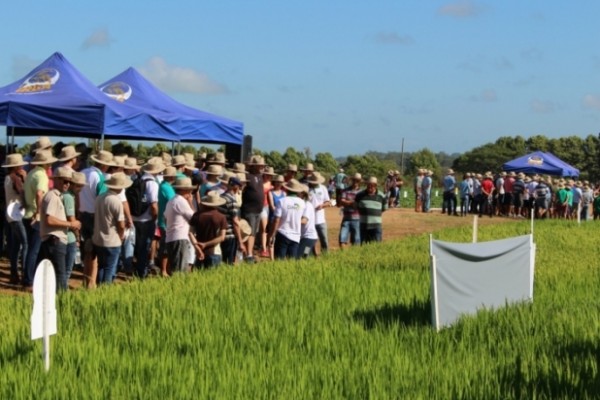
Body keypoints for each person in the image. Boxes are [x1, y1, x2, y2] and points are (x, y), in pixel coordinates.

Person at [39, 167, 81, 292]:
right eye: (64, 181)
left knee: (57, 274)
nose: (67, 184)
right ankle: (62, 302)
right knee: (60, 275)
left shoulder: (57, 196)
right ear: (56, 180)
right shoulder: (53, 196)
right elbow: (50, 220)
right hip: (55, 240)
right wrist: (70, 224)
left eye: (69, 182)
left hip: (54, 240)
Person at [79, 150, 116, 288]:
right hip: (94, 216)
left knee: (87, 249)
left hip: (83, 214)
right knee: (96, 250)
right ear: (105, 165)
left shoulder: (83, 172)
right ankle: (92, 282)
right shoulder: (100, 178)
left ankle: (85, 278)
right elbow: (101, 199)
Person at [23, 149, 57, 290]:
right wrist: (39, 212)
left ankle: (29, 277)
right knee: (34, 249)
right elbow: (39, 193)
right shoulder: (42, 175)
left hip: (27, 213)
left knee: (31, 248)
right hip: (35, 216)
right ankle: (29, 280)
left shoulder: (31, 173)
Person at [93, 172, 130, 285]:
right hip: (112, 240)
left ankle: (100, 290)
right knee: (109, 268)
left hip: (98, 239)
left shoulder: (100, 198)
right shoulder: (116, 201)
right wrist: (121, 235)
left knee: (101, 267)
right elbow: (121, 224)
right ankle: (106, 291)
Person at [132, 157, 163, 278]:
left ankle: (137, 269)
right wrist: (155, 218)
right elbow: (154, 205)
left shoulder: (138, 179)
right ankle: (142, 273)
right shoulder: (152, 183)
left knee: (138, 247)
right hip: (146, 219)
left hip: (136, 218)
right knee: (145, 247)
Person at [3, 153, 28, 285]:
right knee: (25, 243)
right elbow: (23, 193)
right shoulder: (16, 179)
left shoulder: (7, 178)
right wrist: (25, 178)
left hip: (10, 214)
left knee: (15, 245)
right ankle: (25, 273)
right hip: (18, 214)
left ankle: (14, 273)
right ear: (17, 166)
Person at [165, 177, 199, 273]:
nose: (191, 192)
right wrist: (190, 202)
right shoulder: (181, 201)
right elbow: (194, 218)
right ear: (185, 190)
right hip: (180, 238)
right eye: (190, 190)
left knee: (176, 266)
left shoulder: (171, 201)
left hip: (171, 237)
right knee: (180, 269)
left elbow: (165, 218)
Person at [269, 179, 308, 259]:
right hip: (296, 236)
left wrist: (272, 235)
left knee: (279, 261)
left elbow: (276, 220)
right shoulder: (302, 203)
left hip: (282, 234)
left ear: (286, 189)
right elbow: (304, 219)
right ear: (297, 191)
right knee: (291, 262)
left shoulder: (281, 201)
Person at [190, 191, 227, 268]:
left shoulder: (197, 215)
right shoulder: (221, 217)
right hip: (214, 251)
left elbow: (190, 233)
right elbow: (222, 237)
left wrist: (197, 246)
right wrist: (206, 244)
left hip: (199, 252)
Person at [241, 155, 265, 263]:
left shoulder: (259, 176)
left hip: (258, 209)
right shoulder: (247, 176)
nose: (261, 167)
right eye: (259, 165)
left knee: (254, 232)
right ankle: (248, 254)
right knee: (248, 231)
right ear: (254, 166)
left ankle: (250, 253)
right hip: (249, 209)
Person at [63, 172, 86, 286]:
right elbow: (72, 220)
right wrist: (77, 236)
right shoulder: (68, 198)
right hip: (69, 237)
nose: (81, 189)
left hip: (67, 236)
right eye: (79, 186)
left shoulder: (69, 196)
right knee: (67, 270)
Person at [219, 176, 246, 265]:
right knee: (228, 263)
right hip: (229, 235)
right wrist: (240, 242)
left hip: (220, 234)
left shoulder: (220, 197)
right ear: (236, 187)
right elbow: (235, 222)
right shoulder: (232, 201)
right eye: (240, 187)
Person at [355, 176, 387, 243]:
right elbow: (356, 206)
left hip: (376, 226)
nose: (370, 187)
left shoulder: (382, 196)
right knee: (364, 246)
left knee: (377, 246)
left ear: (375, 186)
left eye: (372, 185)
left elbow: (384, 208)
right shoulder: (359, 195)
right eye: (368, 185)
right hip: (364, 225)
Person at [157, 166, 177, 276]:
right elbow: (173, 201)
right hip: (166, 222)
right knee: (165, 248)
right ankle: (164, 270)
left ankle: (166, 269)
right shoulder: (166, 187)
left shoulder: (164, 185)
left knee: (167, 247)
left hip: (165, 220)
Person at [307, 172, 331, 255]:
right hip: (309, 220)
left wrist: (322, 205)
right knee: (310, 239)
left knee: (324, 239)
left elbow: (328, 202)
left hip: (321, 220)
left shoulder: (323, 188)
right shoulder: (306, 189)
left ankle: (326, 255)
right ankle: (310, 255)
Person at [338, 173, 362, 248]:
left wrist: (348, 202)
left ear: (359, 182)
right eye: (354, 180)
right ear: (352, 180)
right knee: (342, 240)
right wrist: (352, 202)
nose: (355, 182)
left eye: (357, 180)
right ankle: (345, 256)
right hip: (347, 218)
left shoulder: (362, 192)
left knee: (356, 241)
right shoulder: (346, 190)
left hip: (357, 219)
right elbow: (342, 201)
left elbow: (360, 204)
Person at [297, 189, 318, 258]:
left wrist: (291, 221)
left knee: (300, 256)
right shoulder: (302, 204)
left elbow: (304, 221)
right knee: (305, 256)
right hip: (307, 237)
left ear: (302, 194)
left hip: (308, 238)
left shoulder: (307, 205)